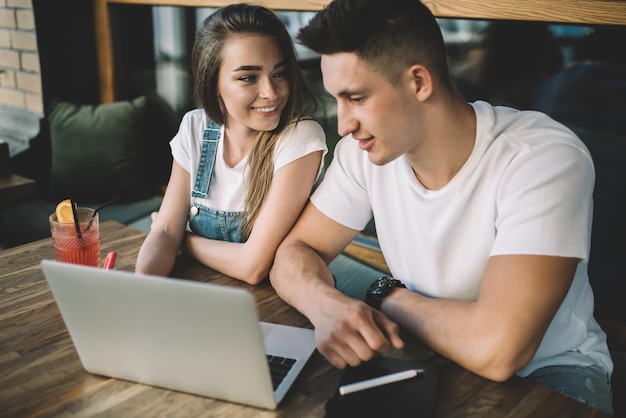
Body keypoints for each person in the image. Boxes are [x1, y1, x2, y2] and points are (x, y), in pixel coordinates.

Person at [268, 0, 613, 413]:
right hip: (427, 354)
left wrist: (384, 296)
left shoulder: (541, 158)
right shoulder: (362, 155)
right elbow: (292, 254)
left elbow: (499, 349)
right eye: (337, 101)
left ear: (418, 82)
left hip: (551, 373)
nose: (343, 123)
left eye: (356, 98)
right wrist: (326, 306)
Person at [136, 4, 327, 284]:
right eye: (248, 78)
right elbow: (164, 231)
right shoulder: (195, 127)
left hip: (278, 306)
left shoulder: (300, 138)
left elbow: (253, 266)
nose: (271, 92)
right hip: (210, 293)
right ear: (213, 82)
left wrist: (186, 241)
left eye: (280, 73)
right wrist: (140, 288)